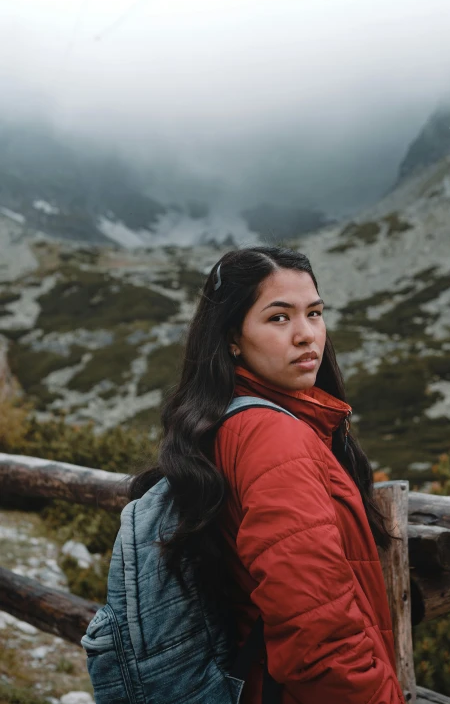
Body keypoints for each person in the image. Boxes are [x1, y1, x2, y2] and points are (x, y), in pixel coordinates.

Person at [132, 246, 405, 704]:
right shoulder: (274, 437)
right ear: (232, 337)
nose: (307, 336)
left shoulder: (227, 422)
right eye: (279, 318)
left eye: (314, 313)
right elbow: (318, 638)